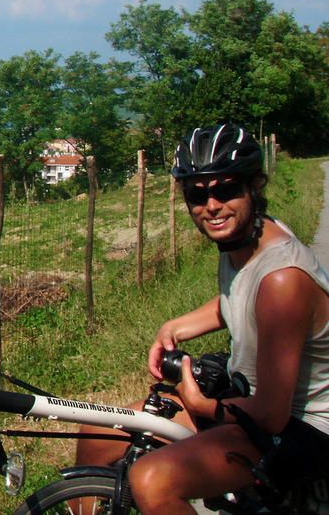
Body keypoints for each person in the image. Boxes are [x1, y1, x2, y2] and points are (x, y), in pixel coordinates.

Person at [74, 123, 329, 514]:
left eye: (225, 190)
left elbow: (273, 416)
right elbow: (240, 297)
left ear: (254, 186)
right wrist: (175, 326)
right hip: (249, 403)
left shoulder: (283, 278)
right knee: (97, 430)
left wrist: (199, 403)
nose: (211, 206)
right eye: (197, 194)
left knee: (153, 480)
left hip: (302, 427)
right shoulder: (248, 238)